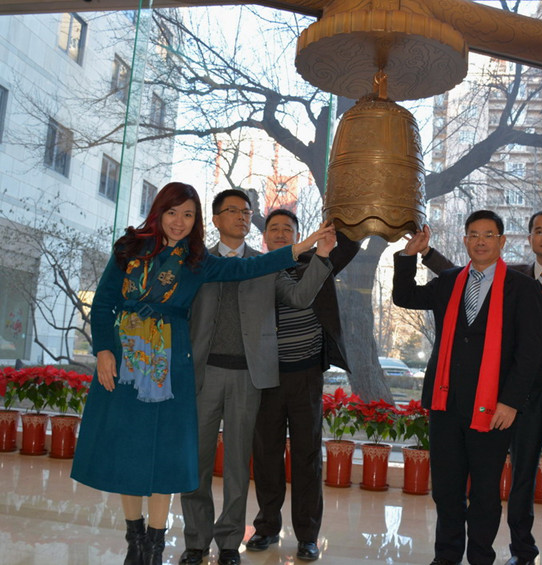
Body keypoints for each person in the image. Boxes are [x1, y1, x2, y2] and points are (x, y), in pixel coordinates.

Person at [70, 182, 333, 565]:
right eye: (172, 212)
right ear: (161, 212)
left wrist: (306, 248)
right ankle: (155, 540)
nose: (179, 221)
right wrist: (104, 348)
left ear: (197, 221)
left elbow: (259, 272)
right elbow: (105, 300)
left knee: (193, 458)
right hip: (153, 365)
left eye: (187, 215)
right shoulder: (144, 250)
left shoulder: (205, 262)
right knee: (149, 451)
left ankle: (187, 544)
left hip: (194, 369)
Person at [410, 211, 542, 565]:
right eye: (538, 231)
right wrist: (425, 253)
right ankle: (522, 551)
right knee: (519, 481)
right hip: (518, 397)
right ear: (527, 239)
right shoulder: (512, 276)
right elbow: (460, 273)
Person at [179, 191, 336, 565]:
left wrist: (322, 255)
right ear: (215, 219)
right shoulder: (195, 262)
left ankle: (229, 542)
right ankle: (196, 541)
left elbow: (299, 297)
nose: (240, 216)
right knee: (195, 462)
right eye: (231, 210)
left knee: (237, 465)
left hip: (248, 377)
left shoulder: (264, 264)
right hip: (203, 374)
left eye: (246, 211)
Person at [392, 210, 542, 565]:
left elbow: (530, 351)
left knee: (486, 493)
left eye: (488, 235)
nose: (480, 241)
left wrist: (511, 402)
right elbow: (404, 296)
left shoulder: (522, 287)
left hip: (494, 407)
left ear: (501, 241)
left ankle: (480, 558)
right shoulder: (449, 280)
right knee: (446, 490)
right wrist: (408, 256)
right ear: (465, 241)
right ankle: (445, 556)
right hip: (446, 402)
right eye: (473, 234)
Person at [246, 209, 360, 561]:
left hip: (306, 374)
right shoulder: (256, 268)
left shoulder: (317, 259)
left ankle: (308, 535)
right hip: (266, 375)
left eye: (288, 228)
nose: (281, 233)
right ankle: (267, 527)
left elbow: (351, 244)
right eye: (274, 228)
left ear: (298, 235)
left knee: (307, 456)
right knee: (266, 454)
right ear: (265, 237)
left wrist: (341, 212)